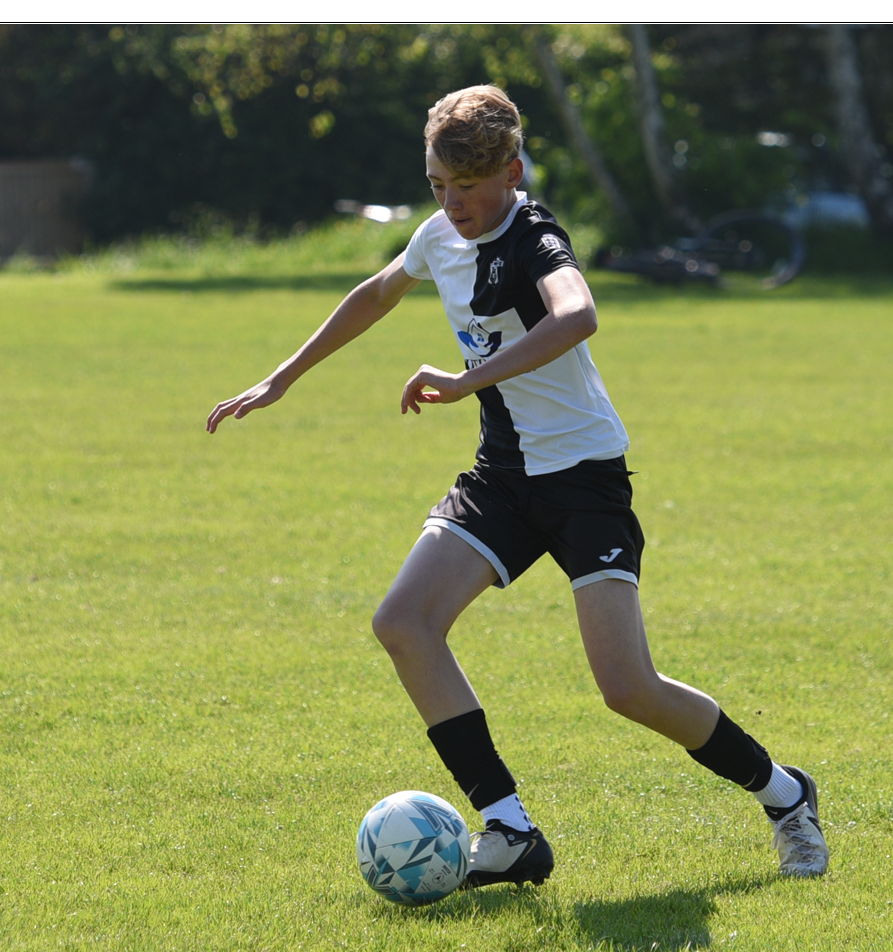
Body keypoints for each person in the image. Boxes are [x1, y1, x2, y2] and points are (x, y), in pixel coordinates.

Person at [206, 85, 829, 886]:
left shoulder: (534, 236)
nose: (453, 204)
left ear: (512, 173)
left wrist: (469, 381)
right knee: (404, 622)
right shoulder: (438, 236)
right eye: (438, 186)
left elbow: (577, 317)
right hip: (502, 477)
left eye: (467, 188)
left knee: (627, 688)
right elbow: (377, 292)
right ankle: (507, 826)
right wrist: (281, 378)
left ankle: (785, 793)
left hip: (582, 481)